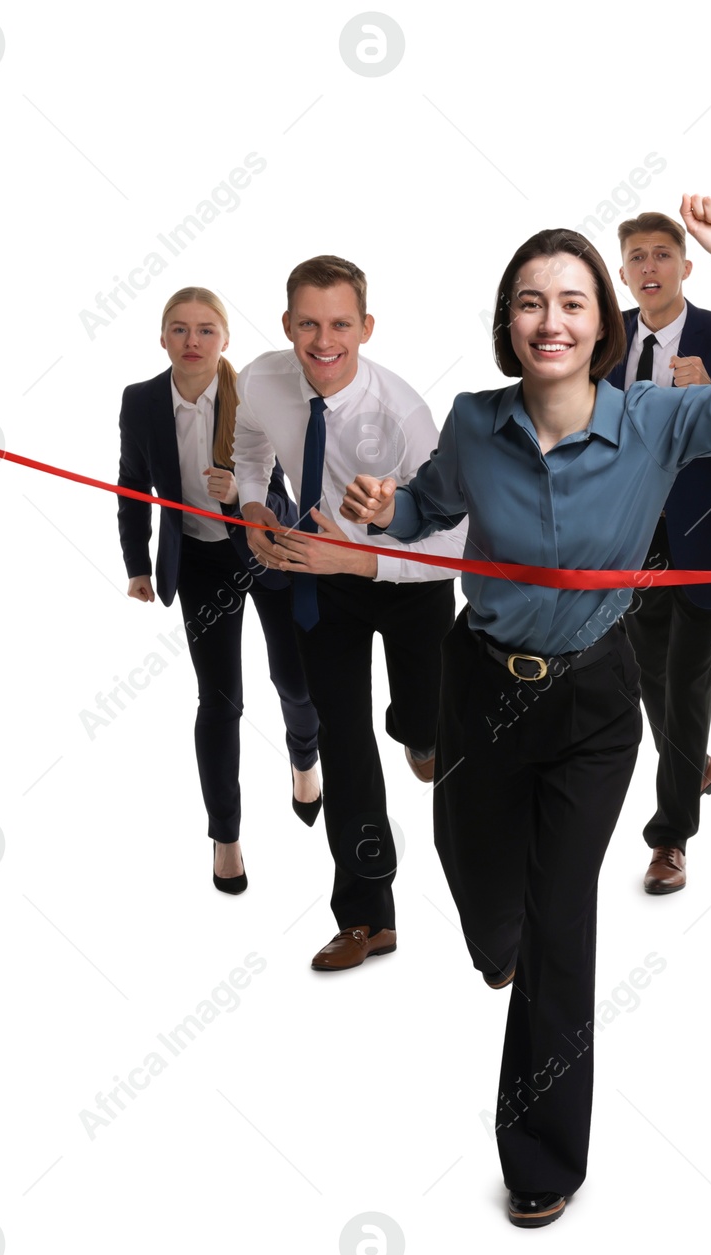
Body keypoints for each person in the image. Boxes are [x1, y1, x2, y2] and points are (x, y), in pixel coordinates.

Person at [340, 195, 711, 1228]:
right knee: (478, 886)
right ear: (507, 323)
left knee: (564, 924)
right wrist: (391, 506)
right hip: (479, 691)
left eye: (569, 302)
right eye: (528, 303)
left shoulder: (657, 419)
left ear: (600, 322)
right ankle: (494, 933)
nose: (549, 321)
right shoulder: (476, 418)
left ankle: (542, 1156)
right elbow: (432, 503)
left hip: (595, 704)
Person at [232, 255, 466, 972]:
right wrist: (250, 510)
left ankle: (419, 732)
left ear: (365, 327)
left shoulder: (403, 414)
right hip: (321, 577)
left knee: (427, 728)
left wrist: (362, 559)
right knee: (343, 737)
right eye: (308, 323)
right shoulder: (265, 379)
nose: (322, 340)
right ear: (287, 325)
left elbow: (455, 542)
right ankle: (368, 914)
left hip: (409, 578)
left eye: (339, 323)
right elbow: (249, 448)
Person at [116, 286, 322, 895]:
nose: (192, 341)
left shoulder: (253, 397)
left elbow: (294, 502)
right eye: (179, 330)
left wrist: (243, 495)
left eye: (206, 330)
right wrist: (138, 564)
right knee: (220, 701)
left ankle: (305, 758)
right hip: (201, 564)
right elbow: (132, 487)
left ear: (225, 340)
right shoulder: (141, 401)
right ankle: (225, 835)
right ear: (162, 339)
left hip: (265, 551)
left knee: (294, 678)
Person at [607, 210, 711, 894]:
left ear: (685, 267)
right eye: (637, 256)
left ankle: (670, 837)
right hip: (629, 540)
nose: (650, 267)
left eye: (662, 255)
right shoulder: (599, 337)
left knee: (688, 683)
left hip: (704, 538)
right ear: (622, 272)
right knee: (649, 674)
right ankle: (692, 761)